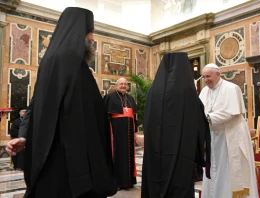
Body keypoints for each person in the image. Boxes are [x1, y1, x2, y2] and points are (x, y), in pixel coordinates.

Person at [6, 7, 117, 198]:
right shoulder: (71, 63)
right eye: (90, 32)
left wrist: (25, 136)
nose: (92, 38)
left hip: (50, 164)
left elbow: (35, 105)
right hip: (71, 168)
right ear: (79, 32)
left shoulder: (50, 61)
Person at [141, 52, 211, 198]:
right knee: (178, 182)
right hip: (180, 149)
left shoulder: (153, 90)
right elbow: (198, 120)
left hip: (155, 148)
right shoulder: (186, 90)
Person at [199, 63, 258, 198]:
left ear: (218, 74)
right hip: (213, 136)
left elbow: (230, 113)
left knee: (229, 171)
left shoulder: (232, 88)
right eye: (204, 77)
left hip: (230, 135)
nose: (206, 80)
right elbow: (199, 111)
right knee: (214, 170)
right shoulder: (204, 91)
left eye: (208, 76)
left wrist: (207, 118)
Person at [103, 77, 138, 189]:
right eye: (121, 84)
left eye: (125, 84)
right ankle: (117, 182)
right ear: (116, 85)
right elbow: (105, 117)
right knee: (118, 155)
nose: (123, 86)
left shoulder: (130, 98)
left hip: (129, 132)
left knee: (129, 155)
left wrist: (136, 132)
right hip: (116, 134)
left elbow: (134, 117)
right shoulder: (109, 97)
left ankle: (129, 181)